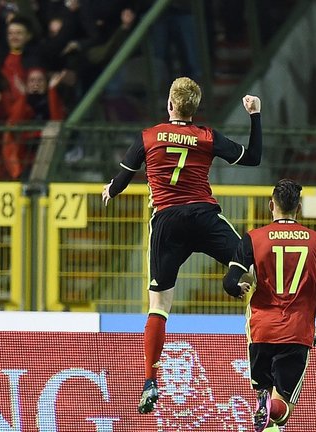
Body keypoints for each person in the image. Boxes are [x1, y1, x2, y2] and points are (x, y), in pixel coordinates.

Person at [101, 77, 262, 414]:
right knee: (253, 265)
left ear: (170, 104)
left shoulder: (148, 137)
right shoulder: (206, 137)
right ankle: (300, 322)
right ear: (195, 109)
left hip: (167, 222)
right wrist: (255, 115)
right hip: (204, 216)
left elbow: (123, 177)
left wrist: (111, 191)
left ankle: (149, 380)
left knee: (159, 306)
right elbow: (253, 158)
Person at [222, 178, 316, 431]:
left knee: (265, 396)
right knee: (282, 410)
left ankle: (264, 407)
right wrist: (313, 312)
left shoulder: (253, 238)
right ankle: (271, 409)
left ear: (271, 206)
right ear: (298, 208)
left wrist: (236, 289)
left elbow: (229, 281)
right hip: (297, 330)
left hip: (261, 327)